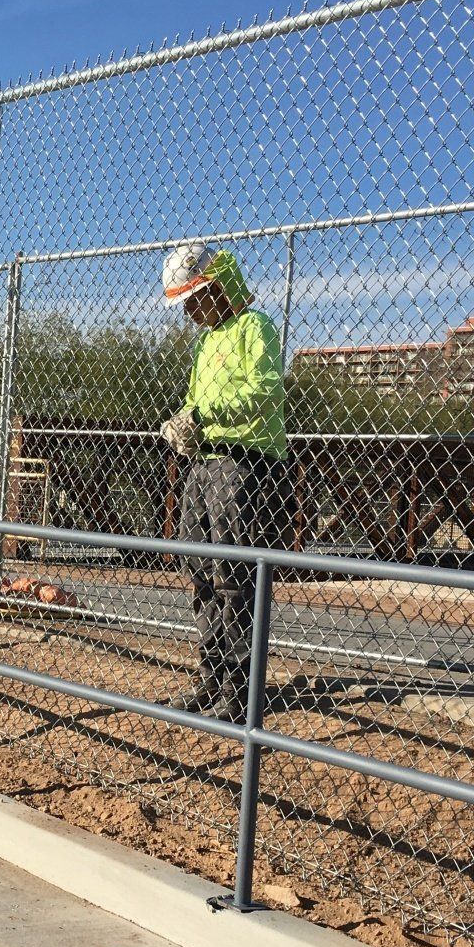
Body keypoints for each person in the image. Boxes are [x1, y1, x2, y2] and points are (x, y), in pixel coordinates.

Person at [157, 243, 288, 719]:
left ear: (218, 286)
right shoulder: (205, 343)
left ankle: (240, 689)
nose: (190, 311)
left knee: (233, 576)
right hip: (204, 461)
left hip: (244, 461)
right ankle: (211, 677)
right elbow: (196, 400)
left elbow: (267, 390)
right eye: (185, 303)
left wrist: (205, 414)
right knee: (198, 567)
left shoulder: (257, 327)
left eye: (195, 298)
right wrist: (184, 422)